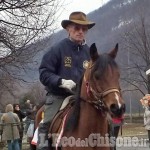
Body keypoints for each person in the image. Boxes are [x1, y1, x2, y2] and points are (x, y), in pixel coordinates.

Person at [37, 11, 95, 150]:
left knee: (108, 122)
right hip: (58, 96)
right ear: (68, 28)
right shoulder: (57, 49)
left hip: (82, 98)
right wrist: (61, 82)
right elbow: (44, 73)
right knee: (46, 124)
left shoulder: (90, 53)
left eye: (84, 29)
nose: (80, 31)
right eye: (76, 28)